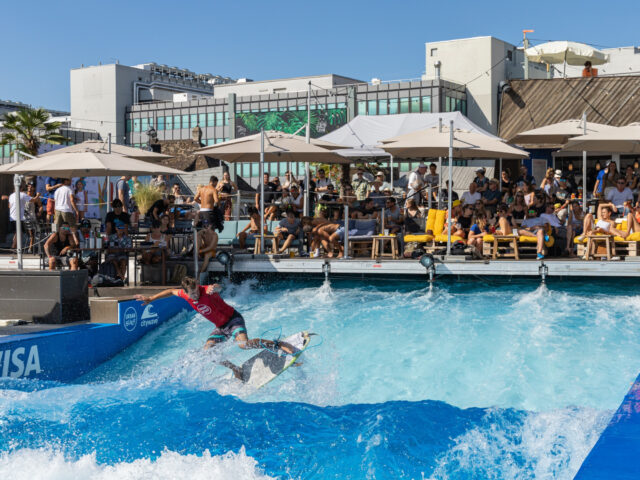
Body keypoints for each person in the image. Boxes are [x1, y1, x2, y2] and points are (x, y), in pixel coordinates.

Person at [135, 277, 295, 378]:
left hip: (233, 320)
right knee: (208, 353)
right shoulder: (184, 294)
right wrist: (151, 298)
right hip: (220, 327)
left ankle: (277, 344)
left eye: (197, 291)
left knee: (244, 345)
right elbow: (170, 291)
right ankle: (235, 369)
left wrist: (214, 288)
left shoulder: (207, 291)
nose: (196, 295)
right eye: (192, 293)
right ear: (186, 292)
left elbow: (217, 287)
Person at [8, 182, 39, 249]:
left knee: (17, 233)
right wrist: (38, 195)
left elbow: (9, 206)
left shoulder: (11, 195)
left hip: (12, 217)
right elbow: (34, 200)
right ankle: (13, 247)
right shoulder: (22, 194)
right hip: (18, 217)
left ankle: (15, 247)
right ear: (21, 188)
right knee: (19, 233)